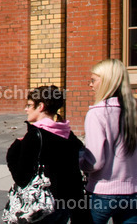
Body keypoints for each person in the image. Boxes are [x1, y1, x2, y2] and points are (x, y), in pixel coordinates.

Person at [6, 86, 90, 224]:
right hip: (63, 208)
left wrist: (14, 149)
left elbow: (21, 177)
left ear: (41, 106)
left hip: (41, 208)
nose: (26, 109)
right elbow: (74, 177)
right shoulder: (68, 135)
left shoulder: (35, 136)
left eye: (29, 105)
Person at [80, 59, 137, 223]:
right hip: (135, 192)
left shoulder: (97, 113)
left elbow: (95, 162)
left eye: (94, 80)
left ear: (107, 82)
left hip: (102, 193)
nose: (91, 85)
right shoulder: (136, 109)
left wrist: (80, 160)